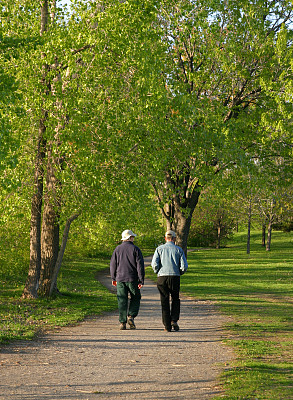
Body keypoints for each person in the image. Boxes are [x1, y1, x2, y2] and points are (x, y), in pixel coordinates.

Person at [151, 230, 188, 332]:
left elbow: (154, 264)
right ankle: (174, 320)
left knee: (164, 300)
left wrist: (158, 271)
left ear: (165, 238)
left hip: (162, 276)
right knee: (175, 299)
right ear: (174, 239)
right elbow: (184, 266)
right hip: (175, 276)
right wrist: (180, 272)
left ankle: (167, 325)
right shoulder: (179, 250)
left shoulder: (159, 249)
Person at [110, 229, 145, 330]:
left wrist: (113, 277)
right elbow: (140, 266)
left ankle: (122, 322)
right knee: (136, 297)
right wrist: (141, 279)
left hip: (120, 278)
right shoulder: (136, 249)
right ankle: (131, 316)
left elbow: (113, 264)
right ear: (130, 238)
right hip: (132, 278)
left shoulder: (117, 249)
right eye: (132, 237)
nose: (133, 238)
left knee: (122, 299)